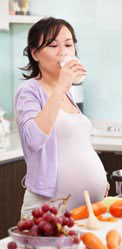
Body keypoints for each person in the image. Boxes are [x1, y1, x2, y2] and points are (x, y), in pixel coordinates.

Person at [15, 17, 109, 218]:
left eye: (68, 44)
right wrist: (60, 88)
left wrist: (99, 177)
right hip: (48, 210)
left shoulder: (67, 92)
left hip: (84, 210)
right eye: (53, 45)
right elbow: (33, 139)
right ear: (35, 53)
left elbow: (75, 142)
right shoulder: (29, 91)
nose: (63, 51)